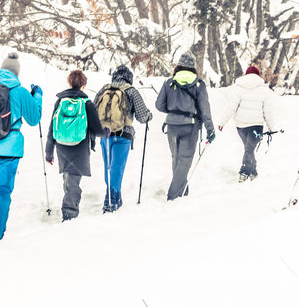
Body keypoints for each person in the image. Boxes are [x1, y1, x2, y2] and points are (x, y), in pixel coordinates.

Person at [0, 52, 42, 241]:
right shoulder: (20, 91)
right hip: (10, 147)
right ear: (16, 73)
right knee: (3, 190)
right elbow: (34, 119)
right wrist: (37, 97)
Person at [44, 70, 106, 220]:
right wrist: (106, 132)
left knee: (68, 178)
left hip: (62, 146)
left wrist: (49, 151)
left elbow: (52, 127)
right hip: (79, 148)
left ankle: (69, 210)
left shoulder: (60, 101)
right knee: (73, 181)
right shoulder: (86, 103)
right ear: (83, 85)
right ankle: (69, 214)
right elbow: (97, 129)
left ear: (69, 83)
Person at [92, 64, 153, 212]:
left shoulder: (103, 90)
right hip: (122, 135)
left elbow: (93, 110)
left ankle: (115, 199)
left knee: (109, 168)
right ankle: (111, 202)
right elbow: (142, 116)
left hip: (104, 135)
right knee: (117, 168)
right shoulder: (131, 91)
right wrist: (149, 115)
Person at [155, 51, 215, 200]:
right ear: (193, 67)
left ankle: (182, 191)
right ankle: (173, 196)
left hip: (172, 126)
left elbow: (159, 105)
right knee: (185, 161)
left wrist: (173, 111)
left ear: (179, 66)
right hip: (190, 126)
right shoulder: (199, 84)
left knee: (176, 159)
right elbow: (205, 109)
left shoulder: (169, 82)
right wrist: (210, 129)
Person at [219, 65, 282, 182]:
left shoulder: (238, 88)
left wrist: (222, 122)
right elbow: (268, 111)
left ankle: (251, 172)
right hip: (256, 126)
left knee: (249, 149)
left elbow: (231, 107)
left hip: (241, 126)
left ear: (246, 75)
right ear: (258, 75)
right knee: (249, 149)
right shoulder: (264, 90)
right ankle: (246, 172)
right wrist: (271, 127)